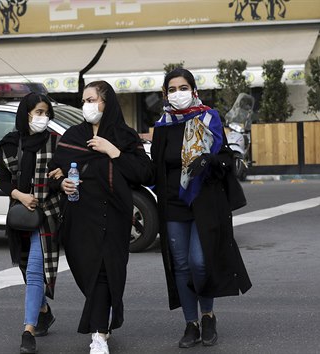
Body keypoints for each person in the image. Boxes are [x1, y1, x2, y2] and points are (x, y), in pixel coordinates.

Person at [150, 68, 252, 348]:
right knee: (181, 265)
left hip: (204, 202)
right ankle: (190, 324)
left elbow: (225, 158)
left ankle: (208, 315)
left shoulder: (209, 117)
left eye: (183, 88)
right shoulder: (163, 124)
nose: (177, 94)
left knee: (199, 261)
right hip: (172, 204)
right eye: (171, 89)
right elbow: (154, 168)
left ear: (193, 90)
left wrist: (209, 160)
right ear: (165, 94)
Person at [50, 81, 152, 354]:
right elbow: (54, 170)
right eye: (83, 100)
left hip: (114, 216)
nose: (87, 106)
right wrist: (62, 184)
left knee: (106, 272)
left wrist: (113, 151)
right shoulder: (73, 135)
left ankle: (98, 334)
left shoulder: (125, 136)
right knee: (88, 273)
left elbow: (144, 173)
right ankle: (100, 323)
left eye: (92, 99)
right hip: (79, 218)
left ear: (107, 103)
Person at [0, 92, 63, 354]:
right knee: (25, 269)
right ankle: (43, 310)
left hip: (47, 216)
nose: (42, 118)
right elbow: (2, 180)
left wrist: (61, 175)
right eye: (37, 113)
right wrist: (20, 196)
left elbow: (64, 174)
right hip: (20, 216)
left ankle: (28, 331)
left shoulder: (56, 143)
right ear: (26, 114)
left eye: (46, 113)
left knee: (35, 271)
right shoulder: (9, 145)